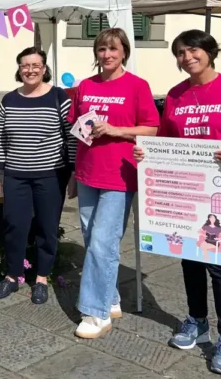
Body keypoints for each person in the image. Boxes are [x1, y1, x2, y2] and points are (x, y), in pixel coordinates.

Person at [134, 30, 221, 375]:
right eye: (179, 52)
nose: (186, 57)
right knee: (189, 254)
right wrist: (144, 152)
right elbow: (164, 141)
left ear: (209, 52)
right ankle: (196, 319)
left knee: (217, 255)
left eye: (193, 49)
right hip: (185, 182)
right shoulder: (176, 95)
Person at [68, 28, 159, 339]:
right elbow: (77, 130)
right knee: (95, 239)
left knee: (101, 243)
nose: (106, 54)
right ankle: (112, 297)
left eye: (112, 49)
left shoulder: (137, 86)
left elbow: (151, 128)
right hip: (87, 171)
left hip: (120, 174)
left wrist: (116, 131)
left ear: (124, 52)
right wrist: (73, 173)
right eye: (101, 49)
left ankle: (95, 313)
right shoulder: (85, 86)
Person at [0, 47, 76, 303]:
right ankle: (13, 276)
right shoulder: (9, 100)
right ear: (19, 69)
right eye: (25, 66)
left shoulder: (59, 97)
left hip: (50, 176)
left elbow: (72, 138)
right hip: (16, 175)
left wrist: (72, 173)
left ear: (44, 68)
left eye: (35, 65)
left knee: (47, 228)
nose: (30, 70)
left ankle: (41, 278)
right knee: (15, 226)